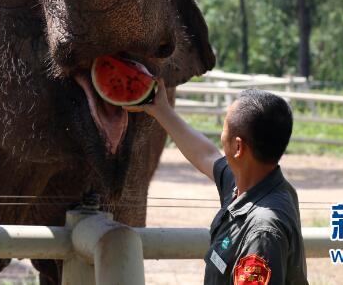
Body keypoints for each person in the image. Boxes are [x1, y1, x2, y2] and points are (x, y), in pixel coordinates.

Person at [127, 80, 308, 285]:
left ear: (238, 147)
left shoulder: (262, 233)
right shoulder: (250, 184)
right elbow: (206, 155)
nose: (221, 137)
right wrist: (161, 109)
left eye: (224, 128)